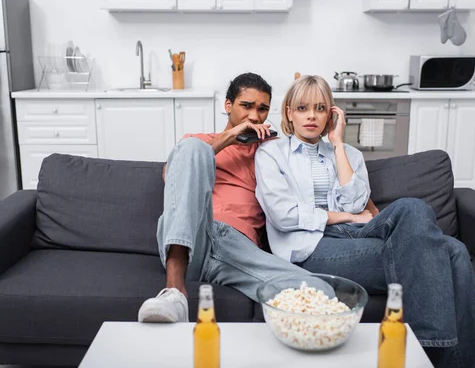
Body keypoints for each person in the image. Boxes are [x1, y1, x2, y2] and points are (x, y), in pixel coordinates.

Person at [254, 75, 475, 368]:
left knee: (412, 207)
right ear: (289, 112)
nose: (311, 116)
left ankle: (431, 347)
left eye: (320, 108)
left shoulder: (349, 154)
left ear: (332, 113)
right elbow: (285, 216)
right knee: (453, 252)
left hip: (360, 233)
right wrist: (346, 216)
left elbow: (357, 201)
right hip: (313, 247)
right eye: (302, 108)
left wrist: (338, 144)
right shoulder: (270, 154)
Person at [137, 72, 339, 324]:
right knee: (193, 150)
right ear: (228, 105)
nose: (254, 116)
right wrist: (231, 137)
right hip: (195, 235)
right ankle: (174, 292)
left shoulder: (271, 152)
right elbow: (171, 176)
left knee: (321, 294)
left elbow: (311, 174)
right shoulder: (197, 142)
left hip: (236, 250)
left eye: (262, 109)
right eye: (246, 106)